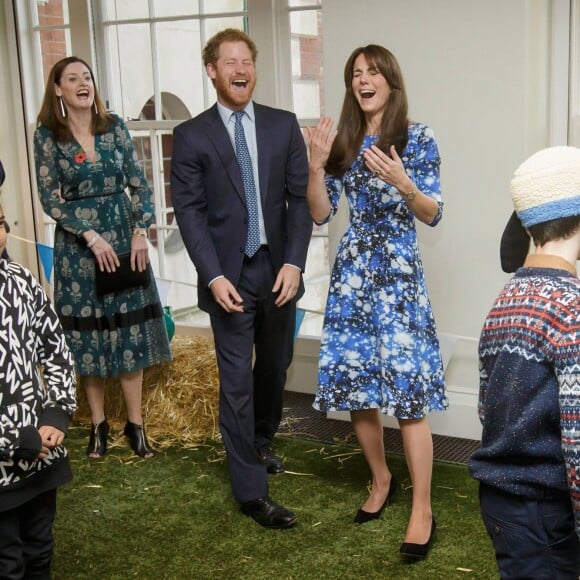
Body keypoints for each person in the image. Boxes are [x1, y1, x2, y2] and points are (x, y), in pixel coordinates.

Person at [306, 44, 447, 558]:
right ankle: (382, 479)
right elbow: (322, 215)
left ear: (391, 80)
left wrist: (405, 182)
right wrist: (316, 167)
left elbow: (433, 213)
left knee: (409, 396)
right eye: (356, 74)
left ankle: (422, 509)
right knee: (358, 388)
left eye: (373, 72)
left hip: (400, 276)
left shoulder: (418, 136)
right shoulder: (345, 141)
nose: (363, 80)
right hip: (353, 275)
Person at [171, 28, 312, 529]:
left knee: (274, 368)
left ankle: (261, 440)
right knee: (236, 381)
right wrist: (211, 276)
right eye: (229, 61)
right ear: (212, 70)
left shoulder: (283, 125)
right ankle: (252, 492)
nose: (239, 69)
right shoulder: (191, 135)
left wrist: (295, 262)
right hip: (226, 276)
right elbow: (188, 212)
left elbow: (299, 203)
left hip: (278, 270)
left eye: (246, 61)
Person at [33, 56, 172, 460]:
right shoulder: (47, 137)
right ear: (58, 89)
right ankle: (98, 425)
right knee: (88, 338)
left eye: (87, 77)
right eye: (72, 78)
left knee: (129, 332)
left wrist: (140, 230)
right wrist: (89, 234)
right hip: (78, 250)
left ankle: (136, 424)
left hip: (125, 242)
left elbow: (139, 184)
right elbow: (48, 199)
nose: (83, 83)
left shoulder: (115, 129)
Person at [469, 146, 580, 579]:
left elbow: (487, 404)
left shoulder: (506, 299)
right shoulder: (571, 309)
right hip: (546, 511)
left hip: (501, 501)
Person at [0, 193, 78, 578]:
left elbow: (57, 351)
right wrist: (11, 441)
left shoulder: (21, 281)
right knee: (7, 563)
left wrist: (57, 413)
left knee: (40, 550)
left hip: (39, 455)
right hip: (4, 462)